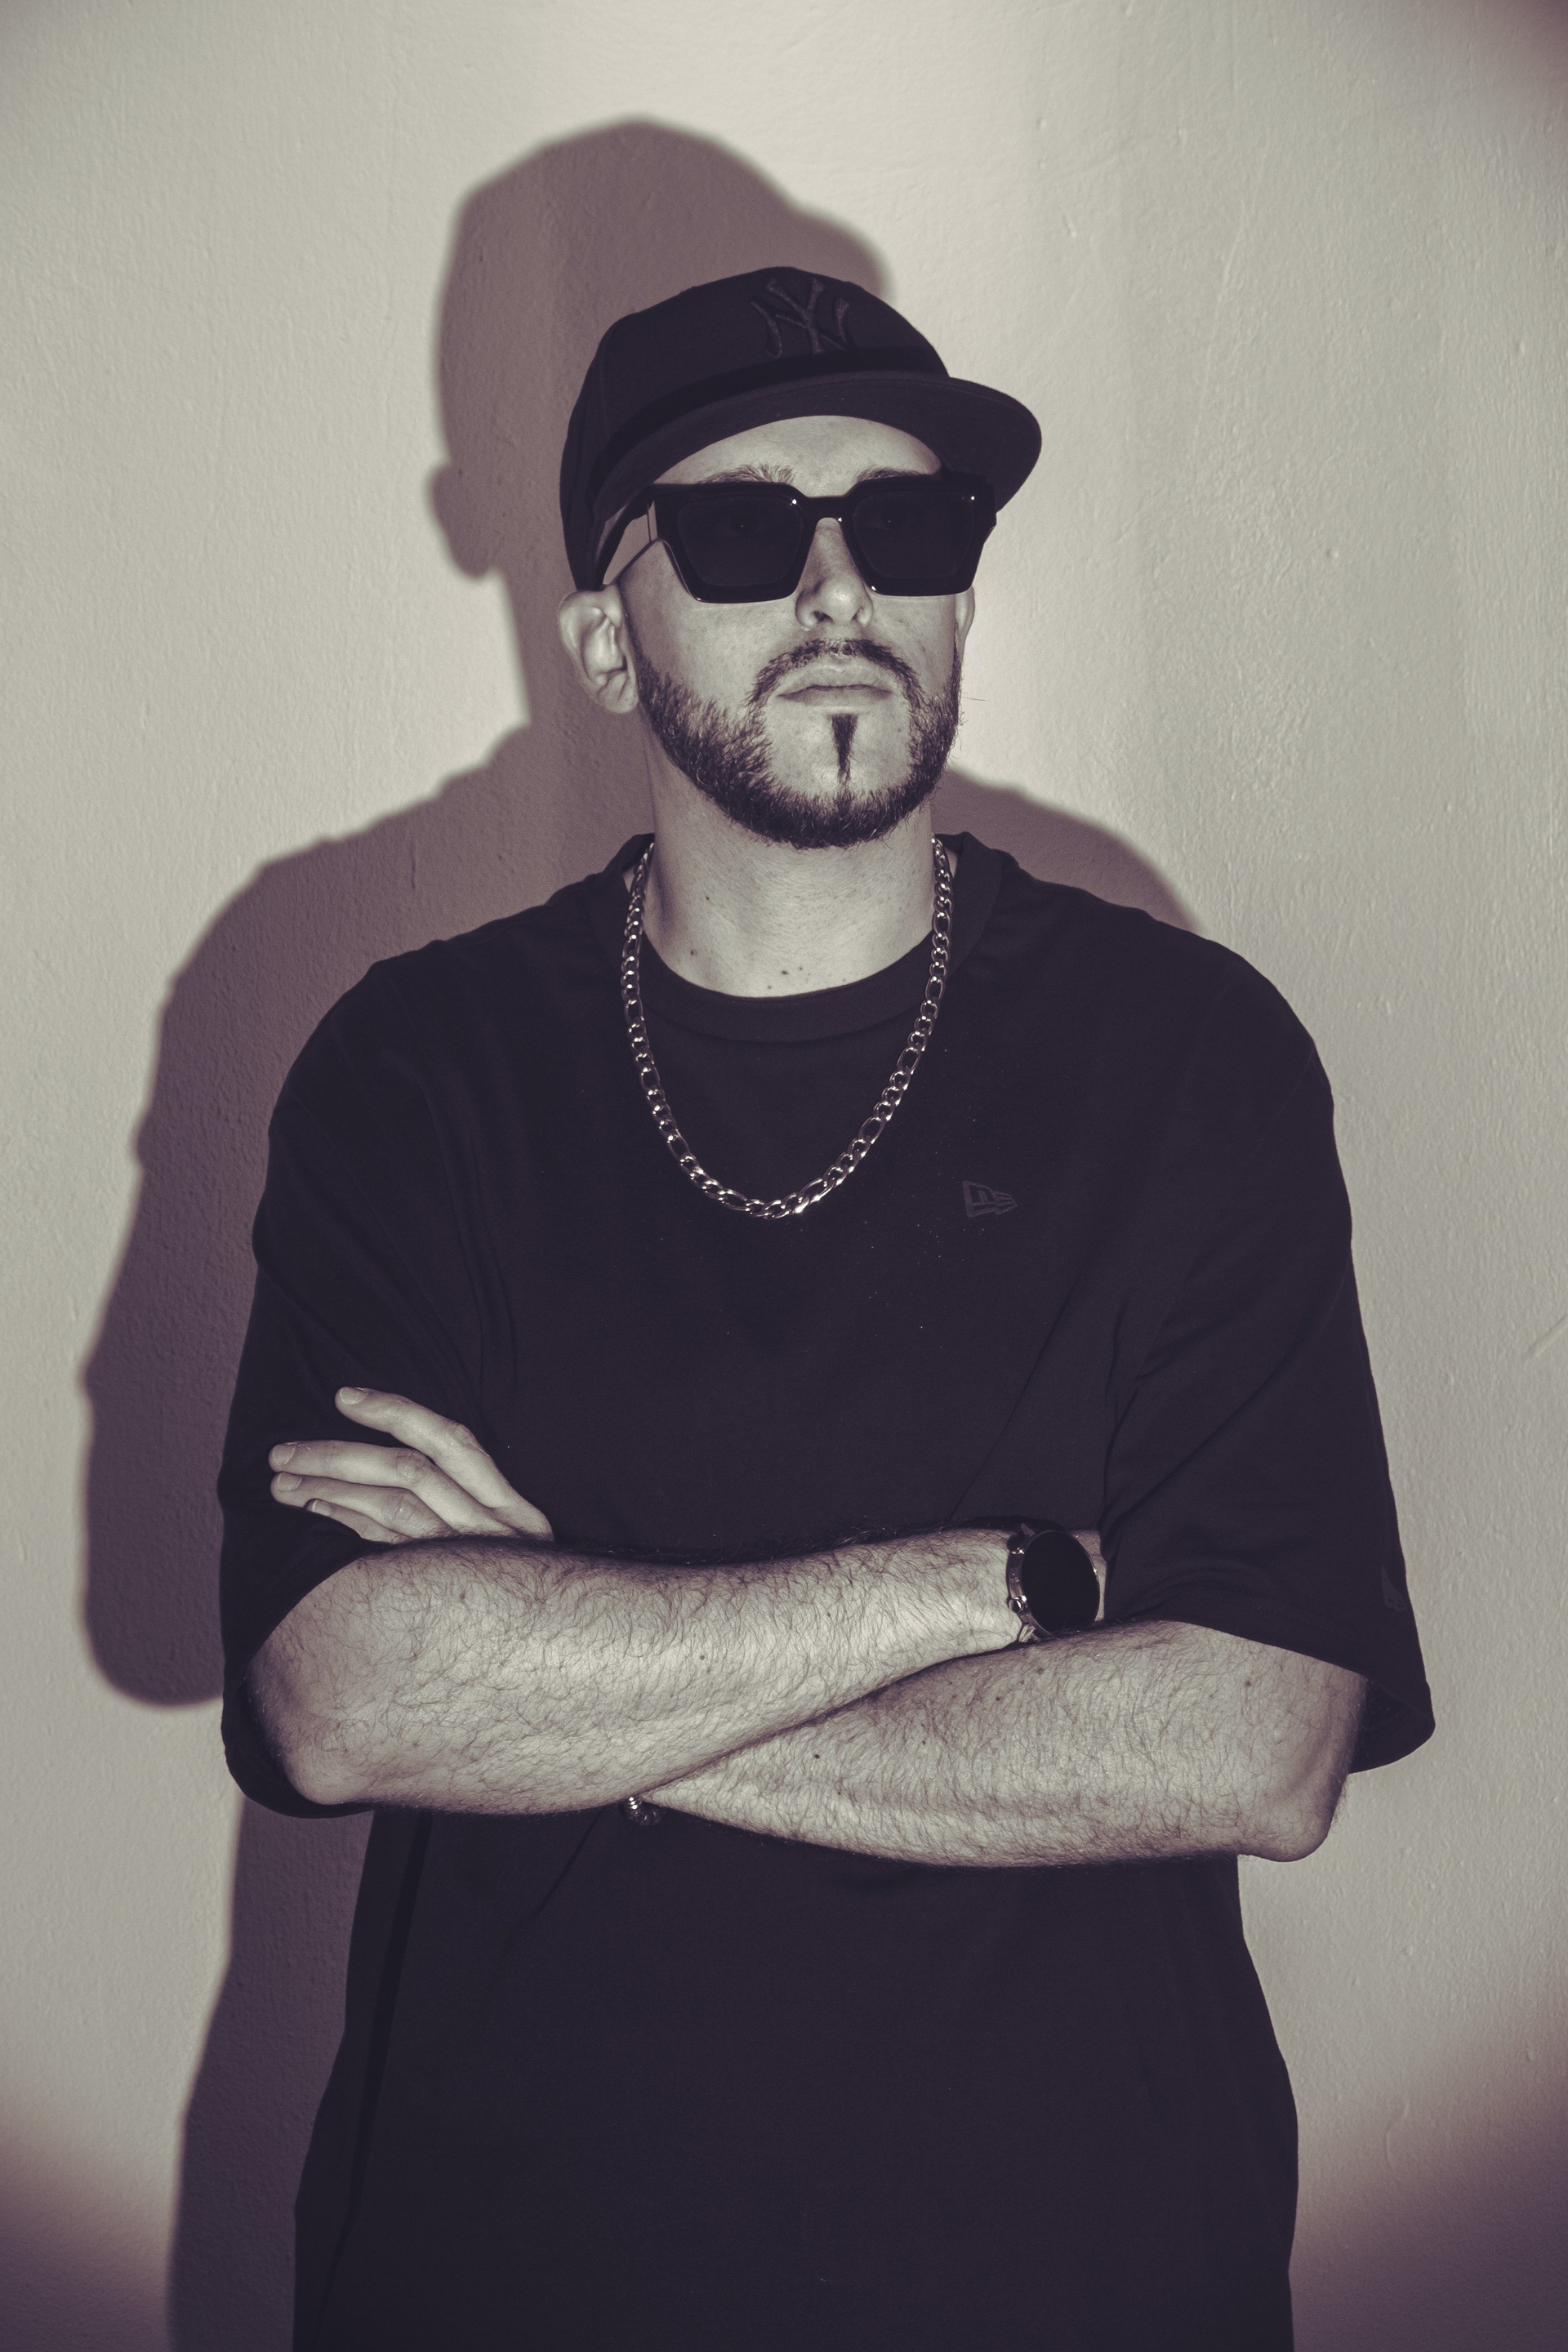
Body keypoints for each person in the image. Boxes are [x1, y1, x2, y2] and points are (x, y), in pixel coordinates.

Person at [218, 267, 1432, 2352]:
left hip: (1083, 2277)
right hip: (509, 2275)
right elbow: (341, 1703)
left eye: (913, 524)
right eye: (741, 530)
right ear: (605, 637)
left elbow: (1259, 1743)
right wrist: (998, 1586)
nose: (841, 587)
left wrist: (563, 1663)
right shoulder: (418, 1076)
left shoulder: (1186, 1058)